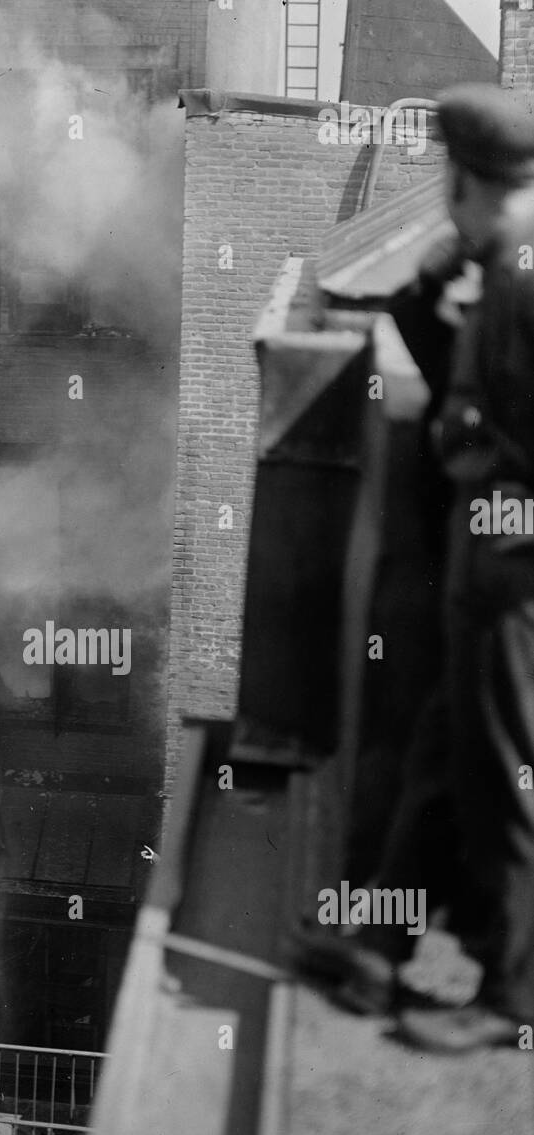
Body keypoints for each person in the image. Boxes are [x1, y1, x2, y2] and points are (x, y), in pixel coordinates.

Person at [298, 83, 534, 1053]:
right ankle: (379, 939)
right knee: (447, 758)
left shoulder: (522, 279)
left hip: (514, 569)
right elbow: (452, 379)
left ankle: (514, 995)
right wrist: (427, 285)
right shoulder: (499, 263)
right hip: (485, 561)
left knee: (508, 768)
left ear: (464, 177)